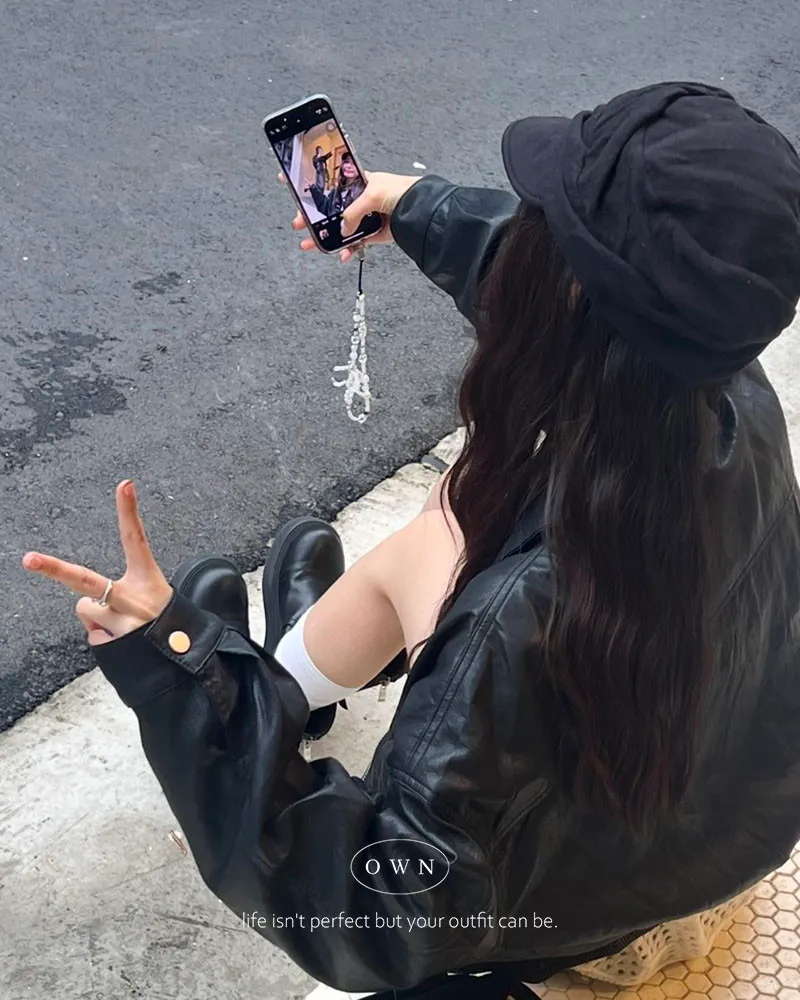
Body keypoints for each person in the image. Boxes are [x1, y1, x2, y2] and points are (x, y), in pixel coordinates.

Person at [22, 82, 800, 1000]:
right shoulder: (726, 388)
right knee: (453, 519)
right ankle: (288, 674)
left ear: (564, 292)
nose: (527, 229)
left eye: (545, 223)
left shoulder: (518, 621)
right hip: (717, 845)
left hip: (551, 936)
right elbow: (589, 291)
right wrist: (419, 208)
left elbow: (371, 915)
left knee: (456, 519)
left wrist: (179, 665)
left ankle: (265, 689)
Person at [306, 151, 366, 218]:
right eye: (346, 162)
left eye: (354, 163)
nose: (349, 166)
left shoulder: (364, 191)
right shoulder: (335, 191)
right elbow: (326, 208)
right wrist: (313, 188)